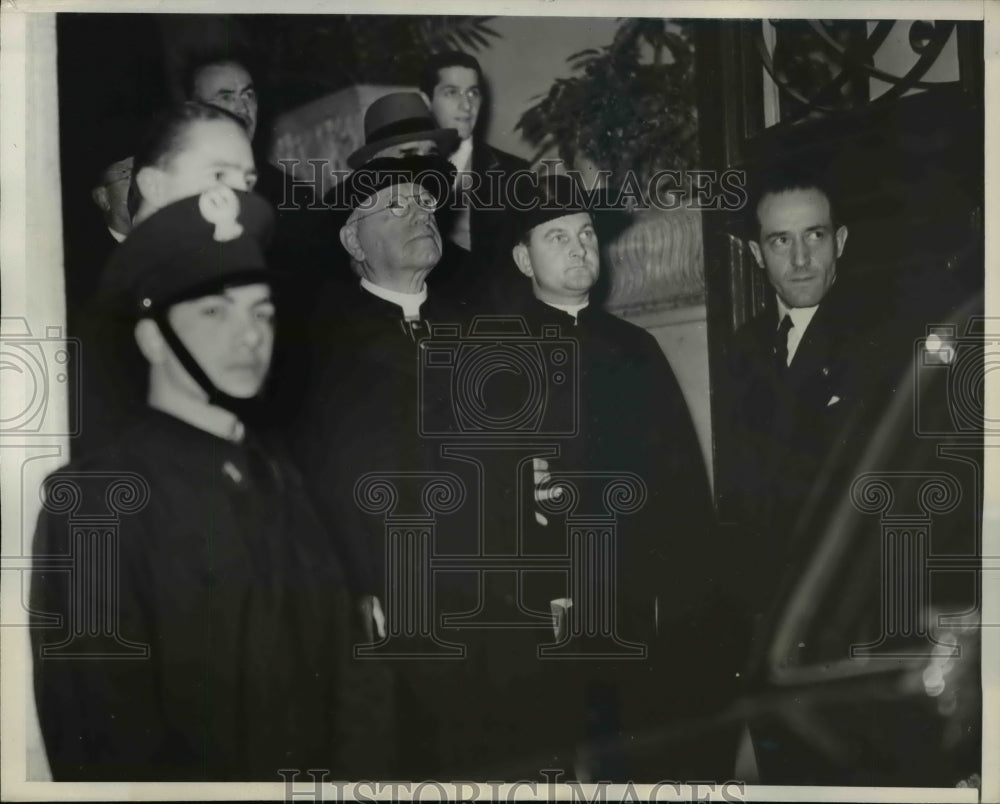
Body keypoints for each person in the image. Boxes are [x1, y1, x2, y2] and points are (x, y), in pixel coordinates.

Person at [31, 187, 357, 781]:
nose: (250, 335)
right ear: (153, 337)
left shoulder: (279, 478)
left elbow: (351, 698)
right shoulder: (95, 502)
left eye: (261, 312)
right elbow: (102, 739)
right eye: (214, 312)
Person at [501, 175, 732, 780]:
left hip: (635, 602)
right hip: (548, 605)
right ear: (524, 258)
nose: (580, 248)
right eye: (558, 237)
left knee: (635, 761)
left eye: (585, 234)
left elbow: (680, 483)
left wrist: (682, 596)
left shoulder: (636, 347)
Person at [418, 50, 531, 298]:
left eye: (473, 92)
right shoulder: (408, 174)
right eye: (452, 93)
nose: (466, 105)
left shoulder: (514, 171)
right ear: (426, 101)